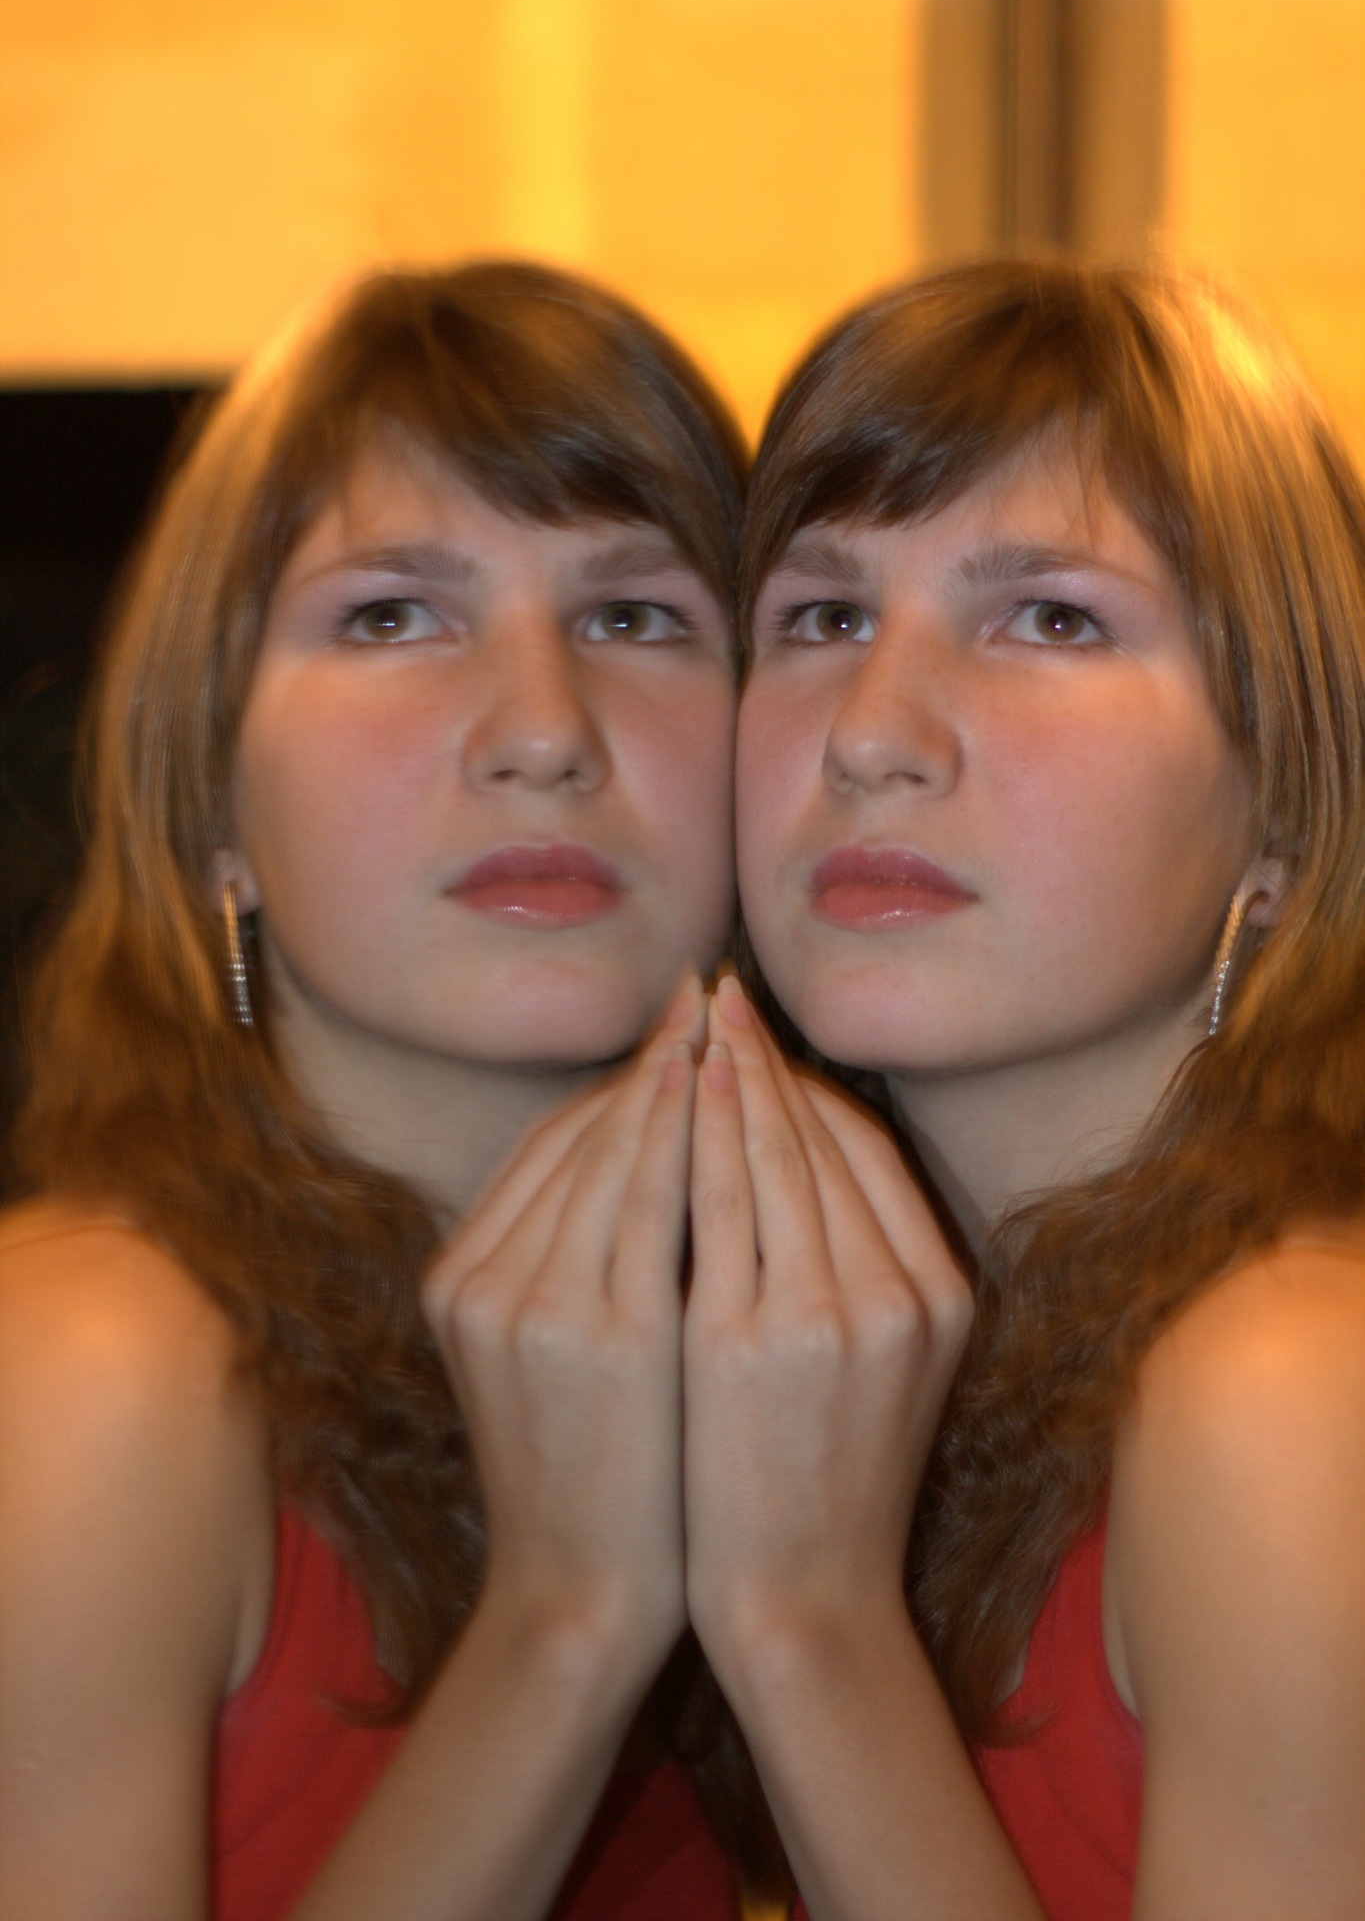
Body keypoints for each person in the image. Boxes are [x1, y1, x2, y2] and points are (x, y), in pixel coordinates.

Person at [0, 261, 754, 1921]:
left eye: (633, 617)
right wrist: (565, 1618)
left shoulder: (748, 1362)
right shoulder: (94, 1364)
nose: (542, 729)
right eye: (391, 617)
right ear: (212, 803)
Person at [677, 260, 1365, 1920]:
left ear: (1282, 807)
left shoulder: (1285, 1382)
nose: (873, 731)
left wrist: (805, 1619)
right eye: (824, 618)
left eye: (1049, 618)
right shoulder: (915, 1357)